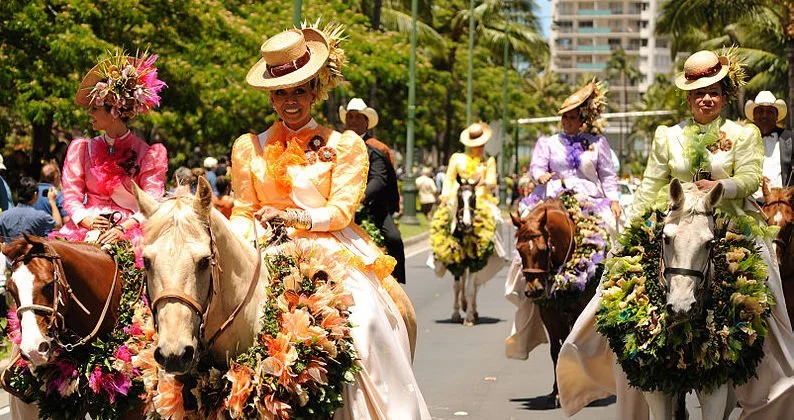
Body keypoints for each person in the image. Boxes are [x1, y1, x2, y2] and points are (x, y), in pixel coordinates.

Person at [557, 50, 794, 419]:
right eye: (698, 92)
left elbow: (749, 179)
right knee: (619, 282)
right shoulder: (668, 135)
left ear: (725, 94)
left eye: (713, 91)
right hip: (675, 223)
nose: (706, 98)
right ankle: (592, 345)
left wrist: (720, 186)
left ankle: (777, 368)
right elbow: (652, 185)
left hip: (729, 224)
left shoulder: (742, 133)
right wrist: (632, 230)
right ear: (688, 97)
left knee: (769, 287)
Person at [229, 25, 430, 418]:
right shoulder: (248, 147)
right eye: (282, 91)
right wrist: (241, 244)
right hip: (261, 245)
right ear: (271, 95)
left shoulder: (344, 146)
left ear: (315, 92)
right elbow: (242, 210)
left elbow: (340, 212)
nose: (291, 101)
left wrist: (293, 216)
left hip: (326, 245)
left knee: (368, 320)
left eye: (299, 90)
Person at [504, 80, 619, 364]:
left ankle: (612, 287)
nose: (568, 121)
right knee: (528, 235)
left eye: (573, 116)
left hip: (590, 201)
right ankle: (526, 281)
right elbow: (536, 168)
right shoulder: (547, 143)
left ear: (582, 119)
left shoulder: (597, 144)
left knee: (613, 230)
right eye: (564, 117)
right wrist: (540, 176)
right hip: (553, 197)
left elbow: (608, 176)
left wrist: (614, 199)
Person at [53, 52, 168, 247]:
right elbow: (71, 194)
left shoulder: (149, 154)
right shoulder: (81, 149)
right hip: (86, 226)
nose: (90, 113)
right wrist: (85, 219)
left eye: (95, 109)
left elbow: (153, 201)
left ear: (114, 111)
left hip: (131, 230)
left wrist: (123, 228)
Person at [429, 122, 509, 283]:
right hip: (458, 196)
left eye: (481, 144)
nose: (479, 147)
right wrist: (445, 197)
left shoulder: (489, 161)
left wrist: (482, 181)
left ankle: (497, 252)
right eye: (476, 145)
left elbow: (492, 181)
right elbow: (450, 179)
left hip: (481, 198)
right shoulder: (457, 159)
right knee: (442, 219)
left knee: (496, 218)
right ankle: (438, 256)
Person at [339, 97, 405, 283]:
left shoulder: (377, 149)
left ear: (366, 121)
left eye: (357, 117)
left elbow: (380, 179)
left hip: (372, 207)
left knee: (394, 239)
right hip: (339, 207)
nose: (352, 121)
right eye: (349, 117)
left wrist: (360, 197)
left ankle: (396, 280)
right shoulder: (335, 144)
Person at [744, 91, 794, 198]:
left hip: (784, 206)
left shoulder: (790, 139)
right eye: (760, 111)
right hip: (750, 205)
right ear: (753, 116)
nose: (764, 116)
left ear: (777, 116)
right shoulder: (742, 140)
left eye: (770, 112)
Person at [35, 161, 70, 227]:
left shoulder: (32, 192)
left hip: (30, 234)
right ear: (56, 177)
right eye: (60, 176)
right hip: (49, 235)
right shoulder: (58, 195)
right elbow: (67, 221)